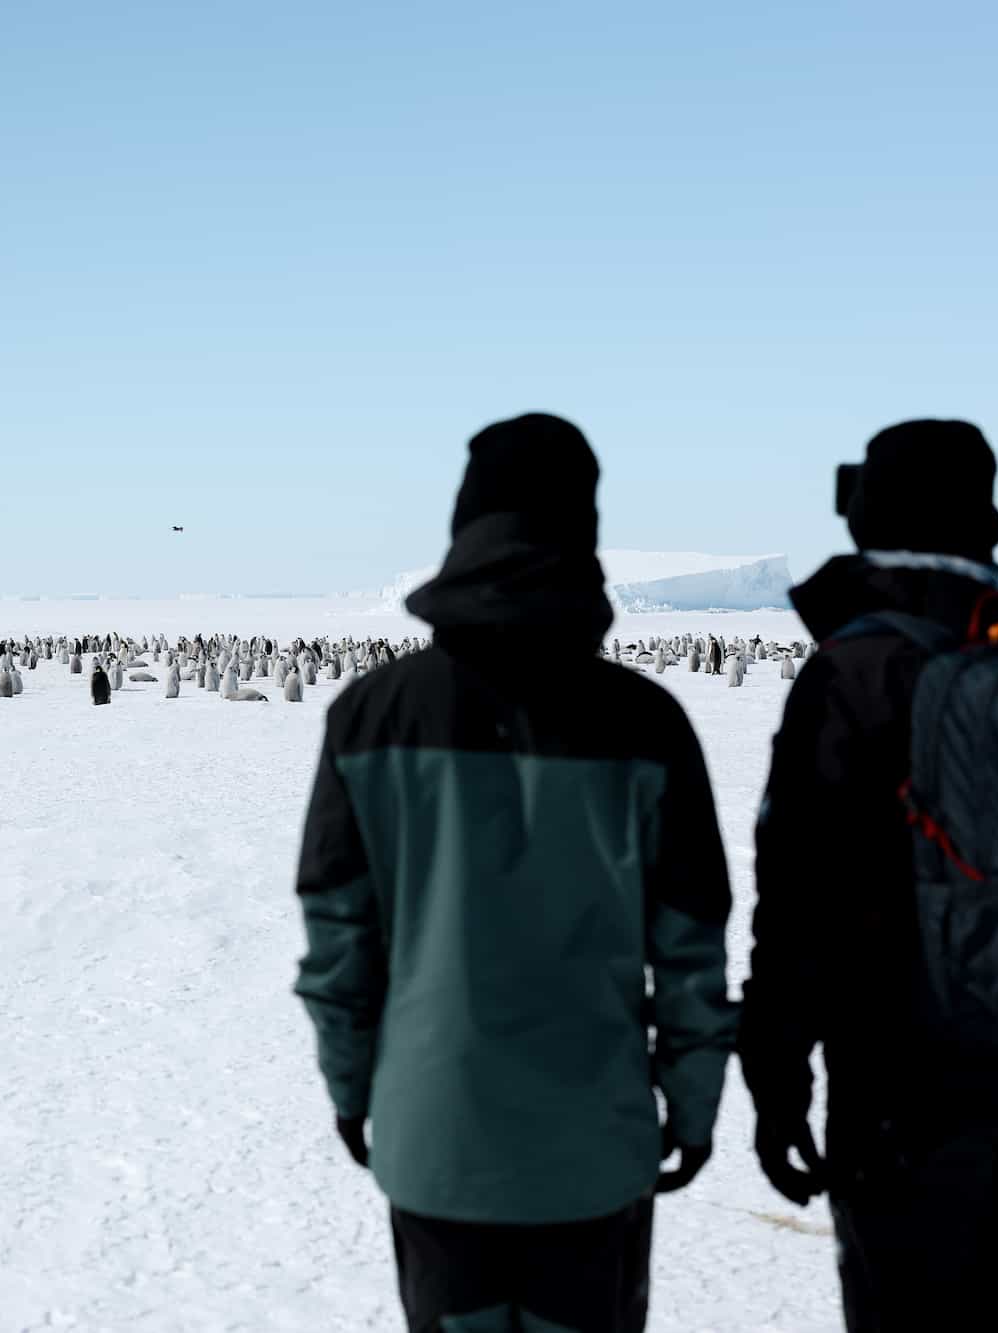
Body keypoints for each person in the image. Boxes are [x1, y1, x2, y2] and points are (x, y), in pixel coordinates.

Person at [293, 414, 736, 1333]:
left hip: (435, 1141)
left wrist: (353, 1087)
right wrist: (690, 1105)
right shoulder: (646, 721)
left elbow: (340, 935)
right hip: (592, 1143)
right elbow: (691, 945)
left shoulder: (372, 715)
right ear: (583, 527)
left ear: (463, 523)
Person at [740, 420, 998, 1331]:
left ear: (866, 515)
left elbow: (801, 894)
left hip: (908, 1091)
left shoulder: (857, 671)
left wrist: (777, 1071)